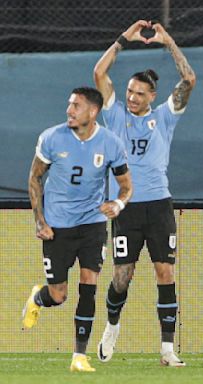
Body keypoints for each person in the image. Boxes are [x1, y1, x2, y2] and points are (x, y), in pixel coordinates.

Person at [93, 20, 196, 367]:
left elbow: (189, 81)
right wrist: (123, 39)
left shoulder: (165, 117)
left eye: (140, 94)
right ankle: (111, 326)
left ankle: (167, 350)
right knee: (122, 278)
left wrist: (168, 42)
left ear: (152, 96)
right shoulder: (116, 116)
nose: (132, 98)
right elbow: (99, 72)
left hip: (159, 205)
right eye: (130, 92)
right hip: (126, 207)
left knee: (165, 272)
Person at [23, 87, 132, 372]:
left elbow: (126, 186)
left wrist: (118, 204)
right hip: (57, 227)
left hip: (92, 224)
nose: (69, 110)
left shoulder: (110, 143)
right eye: (69, 105)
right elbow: (34, 178)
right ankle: (38, 297)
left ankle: (79, 356)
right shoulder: (51, 138)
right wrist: (40, 220)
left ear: (93, 112)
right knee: (58, 295)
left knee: (89, 285)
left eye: (76, 106)